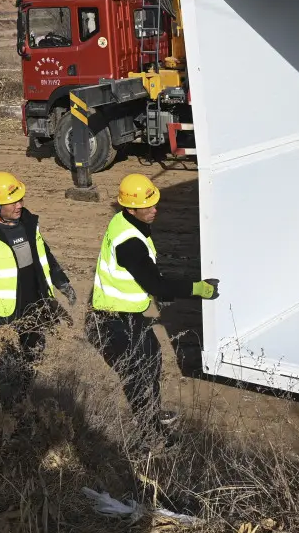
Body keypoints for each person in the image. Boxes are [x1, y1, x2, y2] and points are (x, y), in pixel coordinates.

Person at [85, 173, 220, 446]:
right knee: (137, 371)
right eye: (147, 206)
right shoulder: (130, 243)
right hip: (113, 316)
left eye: (154, 203)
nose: (154, 209)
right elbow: (157, 285)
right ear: (130, 207)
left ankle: (153, 413)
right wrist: (198, 289)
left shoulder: (125, 221)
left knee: (152, 357)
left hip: (127, 312)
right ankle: (150, 435)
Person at [0, 172, 77, 411]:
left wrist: (62, 282)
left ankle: (24, 405)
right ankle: (10, 418)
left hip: (34, 309)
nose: (20, 205)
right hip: (3, 317)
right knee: (8, 371)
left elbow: (45, 256)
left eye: (21, 199)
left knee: (32, 360)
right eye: (13, 202)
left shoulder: (27, 224)